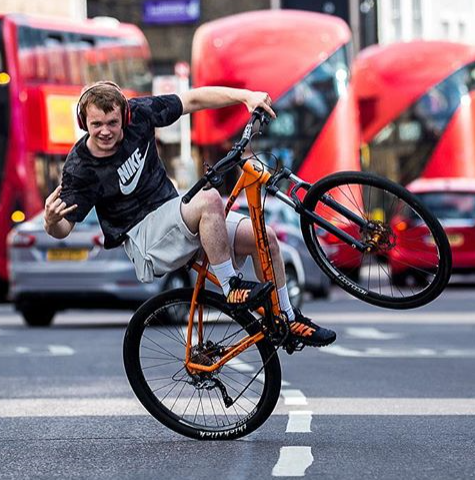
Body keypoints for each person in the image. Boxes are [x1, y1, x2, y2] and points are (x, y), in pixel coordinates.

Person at [44, 81, 336, 347]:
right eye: (96, 124)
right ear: (84, 123)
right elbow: (63, 229)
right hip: (144, 239)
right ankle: (231, 286)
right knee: (209, 198)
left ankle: (285, 318)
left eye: (112, 123)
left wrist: (244, 96)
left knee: (266, 239)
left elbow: (192, 100)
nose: (105, 131)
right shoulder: (79, 167)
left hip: (175, 215)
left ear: (125, 117)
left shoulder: (140, 114)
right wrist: (51, 220)